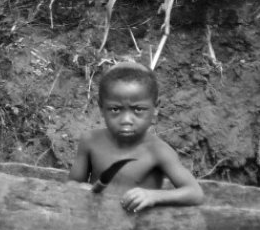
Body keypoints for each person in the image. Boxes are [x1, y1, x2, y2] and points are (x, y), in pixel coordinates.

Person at [68, 61, 204, 212]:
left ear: (155, 108)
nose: (126, 120)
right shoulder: (90, 142)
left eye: (138, 109)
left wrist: (153, 196)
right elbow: (72, 183)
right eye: (115, 109)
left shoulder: (158, 151)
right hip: (95, 220)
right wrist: (80, 188)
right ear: (101, 108)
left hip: (137, 229)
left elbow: (195, 193)